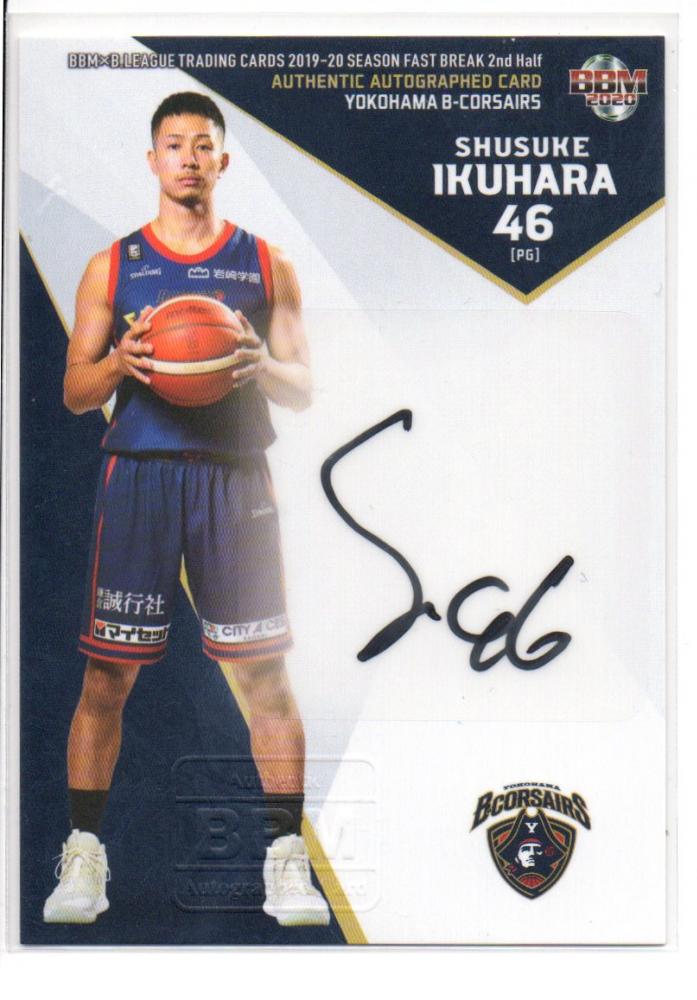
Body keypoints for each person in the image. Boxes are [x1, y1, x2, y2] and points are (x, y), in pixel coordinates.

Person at [43, 91, 329, 927]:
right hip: (140, 477)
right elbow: (74, 390)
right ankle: (84, 856)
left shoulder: (266, 264)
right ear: (153, 160)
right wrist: (122, 362)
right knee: (107, 674)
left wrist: (258, 364)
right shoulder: (113, 265)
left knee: (264, 673)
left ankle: (286, 862)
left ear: (222, 160)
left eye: (203, 145)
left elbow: (303, 387)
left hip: (235, 480)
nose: (189, 158)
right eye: (174, 145)